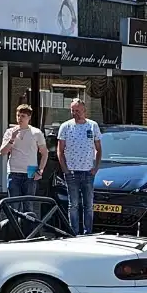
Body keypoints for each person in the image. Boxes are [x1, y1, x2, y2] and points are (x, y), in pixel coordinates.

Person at [56, 98, 102, 235]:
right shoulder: (65, 127)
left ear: (84, 111)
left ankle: (88, 232)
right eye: (73, 110)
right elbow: (60, 150)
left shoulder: (93, 126)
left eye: (78, 110)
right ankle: (74, 232)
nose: (75, 113)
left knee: (88, 205)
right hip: (72, 172)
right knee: (73, 205)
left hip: (88, 172)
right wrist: (65, 169)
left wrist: (96, 167)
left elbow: (99, 148)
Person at [0, 104, 48, 207]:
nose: (19, 118)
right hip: (14, 172)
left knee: (28, 207)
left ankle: (28, 224)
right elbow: (2, 152)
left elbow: (44, 153)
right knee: (14, 207)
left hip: (30, 173)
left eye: (23, 116)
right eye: (18, 115)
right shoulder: (10, 132)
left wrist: (40, 170)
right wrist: (12, 139)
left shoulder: (36, 133)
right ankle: (14, 223)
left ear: (29, 117)